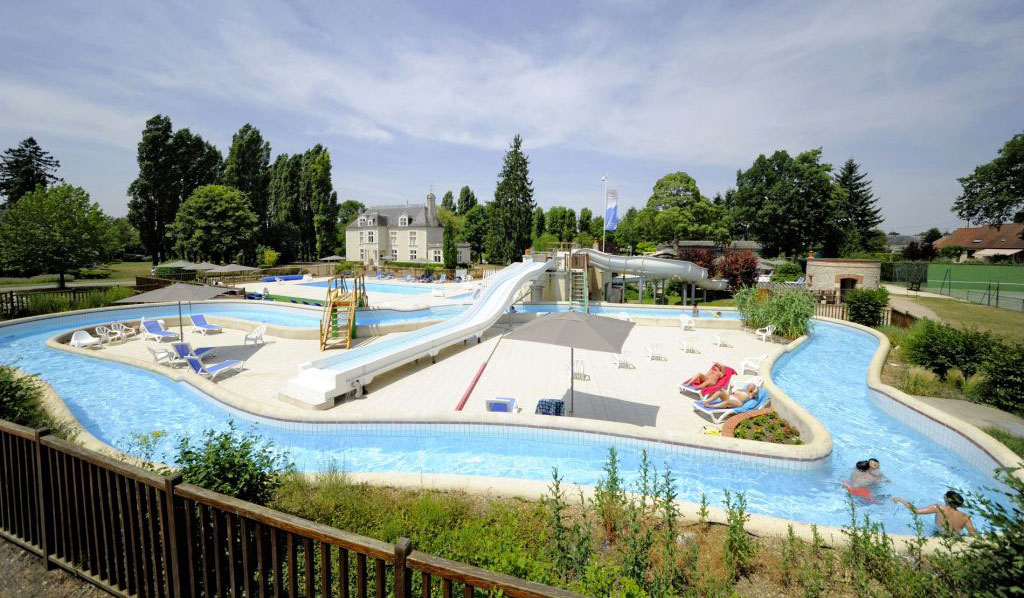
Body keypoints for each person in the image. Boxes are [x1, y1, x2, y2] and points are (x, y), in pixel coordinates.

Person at [892, 491, 978, 537]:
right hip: (954, 540)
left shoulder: (938, 508)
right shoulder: (965, 517)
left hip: (938, 536)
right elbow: (974, 535)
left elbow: (916, 511)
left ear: (947, 499)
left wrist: (900, 500)